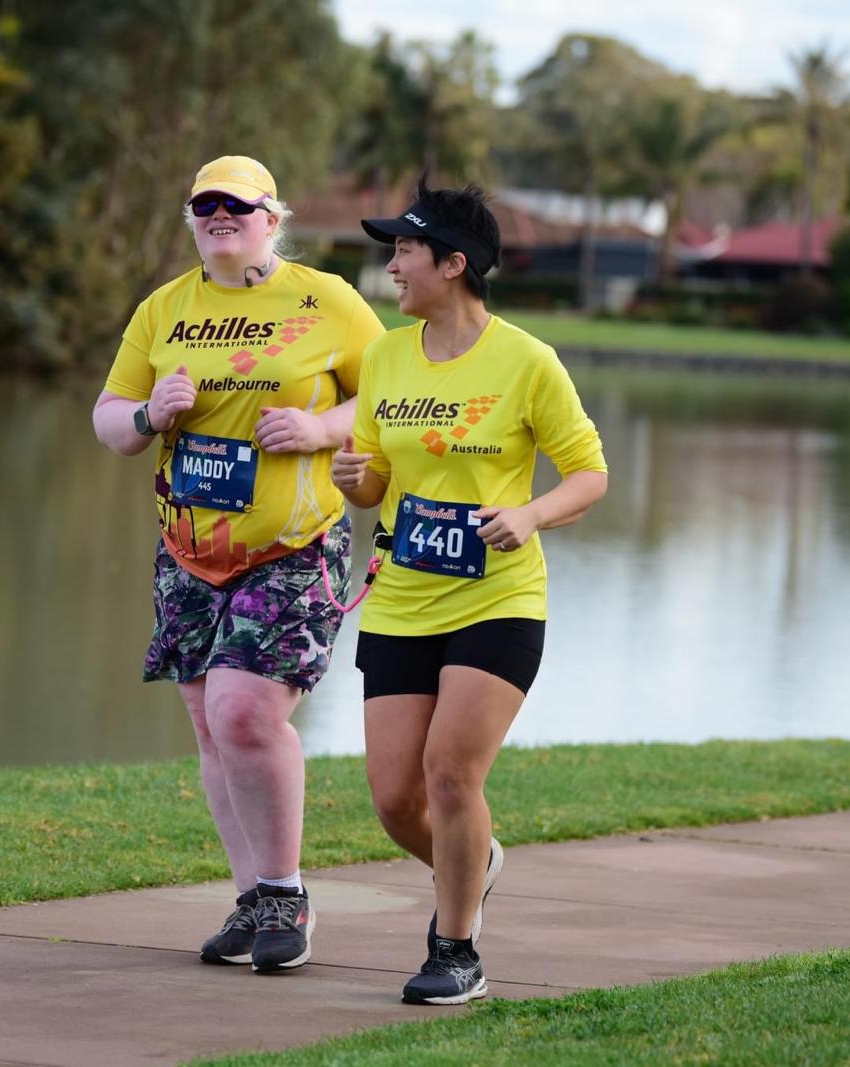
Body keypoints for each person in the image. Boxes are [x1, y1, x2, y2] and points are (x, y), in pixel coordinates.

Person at [94, 155, 383, 973]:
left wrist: (323, 430)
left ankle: (287, 893)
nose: (221, 215)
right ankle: (254, 898)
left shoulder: (326, 299)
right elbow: (110, 419)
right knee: (209, 721)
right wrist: (151, 411)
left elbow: (388, 395)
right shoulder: (165, 308)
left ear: (272, 217)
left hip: (293, 545)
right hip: (189, 548)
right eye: (205, 205)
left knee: (246, 711)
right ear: (190, 219)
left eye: (238, 205)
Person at [330, 178, 608, 1005]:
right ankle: (476, 860)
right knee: (394, 797)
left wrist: (530, 513)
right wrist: (357, 476)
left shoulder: (528, 362)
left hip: (499, 601)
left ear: (454, 264)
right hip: (403, 599)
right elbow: (376, 485)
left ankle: (456, 948)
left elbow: (590, 475)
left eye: (405, 251)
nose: (392, 268)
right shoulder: (384, 355)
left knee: (451, 774)